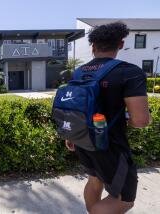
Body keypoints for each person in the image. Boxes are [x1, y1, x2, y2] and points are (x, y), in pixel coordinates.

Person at [65, 22, 152, 214]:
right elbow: (140, 121)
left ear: (93, 47)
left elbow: (73, 107)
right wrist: (146, 118)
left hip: (81, 140)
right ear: (120, 44)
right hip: (111, 146)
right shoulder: (129, 72)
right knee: (124, 199)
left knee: (95, 179)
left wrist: (70, 136)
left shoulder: (79, 72)